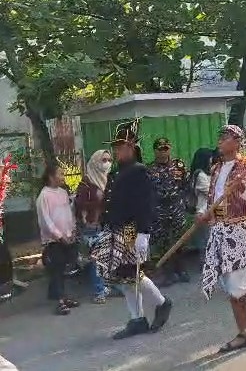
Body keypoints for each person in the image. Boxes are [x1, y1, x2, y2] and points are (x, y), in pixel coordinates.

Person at [197, 125, 246, 352]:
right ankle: (244, 332)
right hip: (219, 231)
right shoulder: (216, 168)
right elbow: (216, 199)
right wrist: (205, 213)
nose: (220, 140)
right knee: (229, 285)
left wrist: (244, 189)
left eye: (225, 137)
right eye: (219, 136)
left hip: (240, 231)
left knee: (238, 287)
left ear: (237, 141)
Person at [91, 122, 172, 339]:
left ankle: (161, 303)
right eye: (116, 147)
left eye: (121, 147)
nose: (116, 151)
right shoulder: (119, 171)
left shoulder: (139, 171)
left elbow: (146, 204)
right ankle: (137, 319)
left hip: (131, 229)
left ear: (132, 147)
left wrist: (143, 233)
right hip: (116, 229)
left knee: (131, 274)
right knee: (123, 277)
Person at [37, 164, 79, 316]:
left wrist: (72, 230)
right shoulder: (44, 196)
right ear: (51, 176)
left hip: (68, 237)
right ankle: (60, 302)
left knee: (64, 269)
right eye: (60, 174)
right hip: (54, 241)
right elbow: (45, 221)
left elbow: (69, 213)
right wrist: (59, 236)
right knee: (56, 270)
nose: (63, 177)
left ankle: (64, 297)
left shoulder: (63, 192)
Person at [148, 137, 190, 287]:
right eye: (160, 149)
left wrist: (183, 201)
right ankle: (168, 273)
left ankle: (181, 269)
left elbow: (186, 184)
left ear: (169, 149)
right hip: (159, 209)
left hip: (176, 207)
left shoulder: (179, 165)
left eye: (166, 149)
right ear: (155, 151)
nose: (163, 152)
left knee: (180, 240)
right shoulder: (149, 169)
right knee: (162, 242)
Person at [74, 150, 112, 304]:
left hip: (105, 225)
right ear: (95, 162)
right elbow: (79, 204)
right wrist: (98, 202)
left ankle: (106, 286)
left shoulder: (107, 179)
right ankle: (99, 291)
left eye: (109, 160)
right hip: (91, 227)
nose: (107, 164)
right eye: (103, 160)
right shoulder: (86, 182)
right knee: (95, 260)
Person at [188, 148, 218, 257]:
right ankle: (205, 264)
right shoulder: (200, 175)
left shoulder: (206, 173)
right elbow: (211, 191)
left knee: (210, 242)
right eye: (210, 158)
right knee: (206, 243)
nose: (211, 160)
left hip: (209, 211)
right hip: (203, 212)